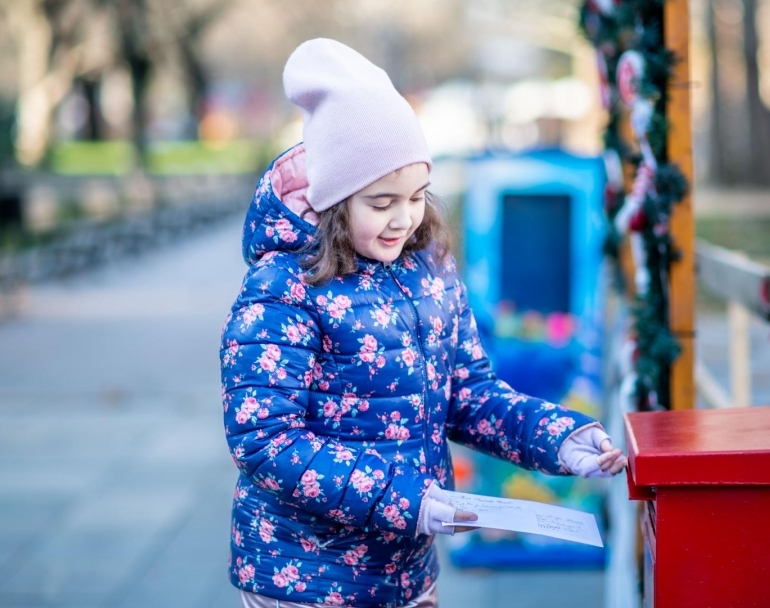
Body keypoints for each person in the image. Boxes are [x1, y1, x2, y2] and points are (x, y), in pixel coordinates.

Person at [221, 38, 627, 608]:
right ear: (337, 199)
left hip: (407, 573)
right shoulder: (282, 287)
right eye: (381, 202)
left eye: (415, 196)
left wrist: (558, 437)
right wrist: (407, 500)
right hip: (306, 577)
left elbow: (469, 396)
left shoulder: (428, 268)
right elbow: (265, 439)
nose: (403, 218)